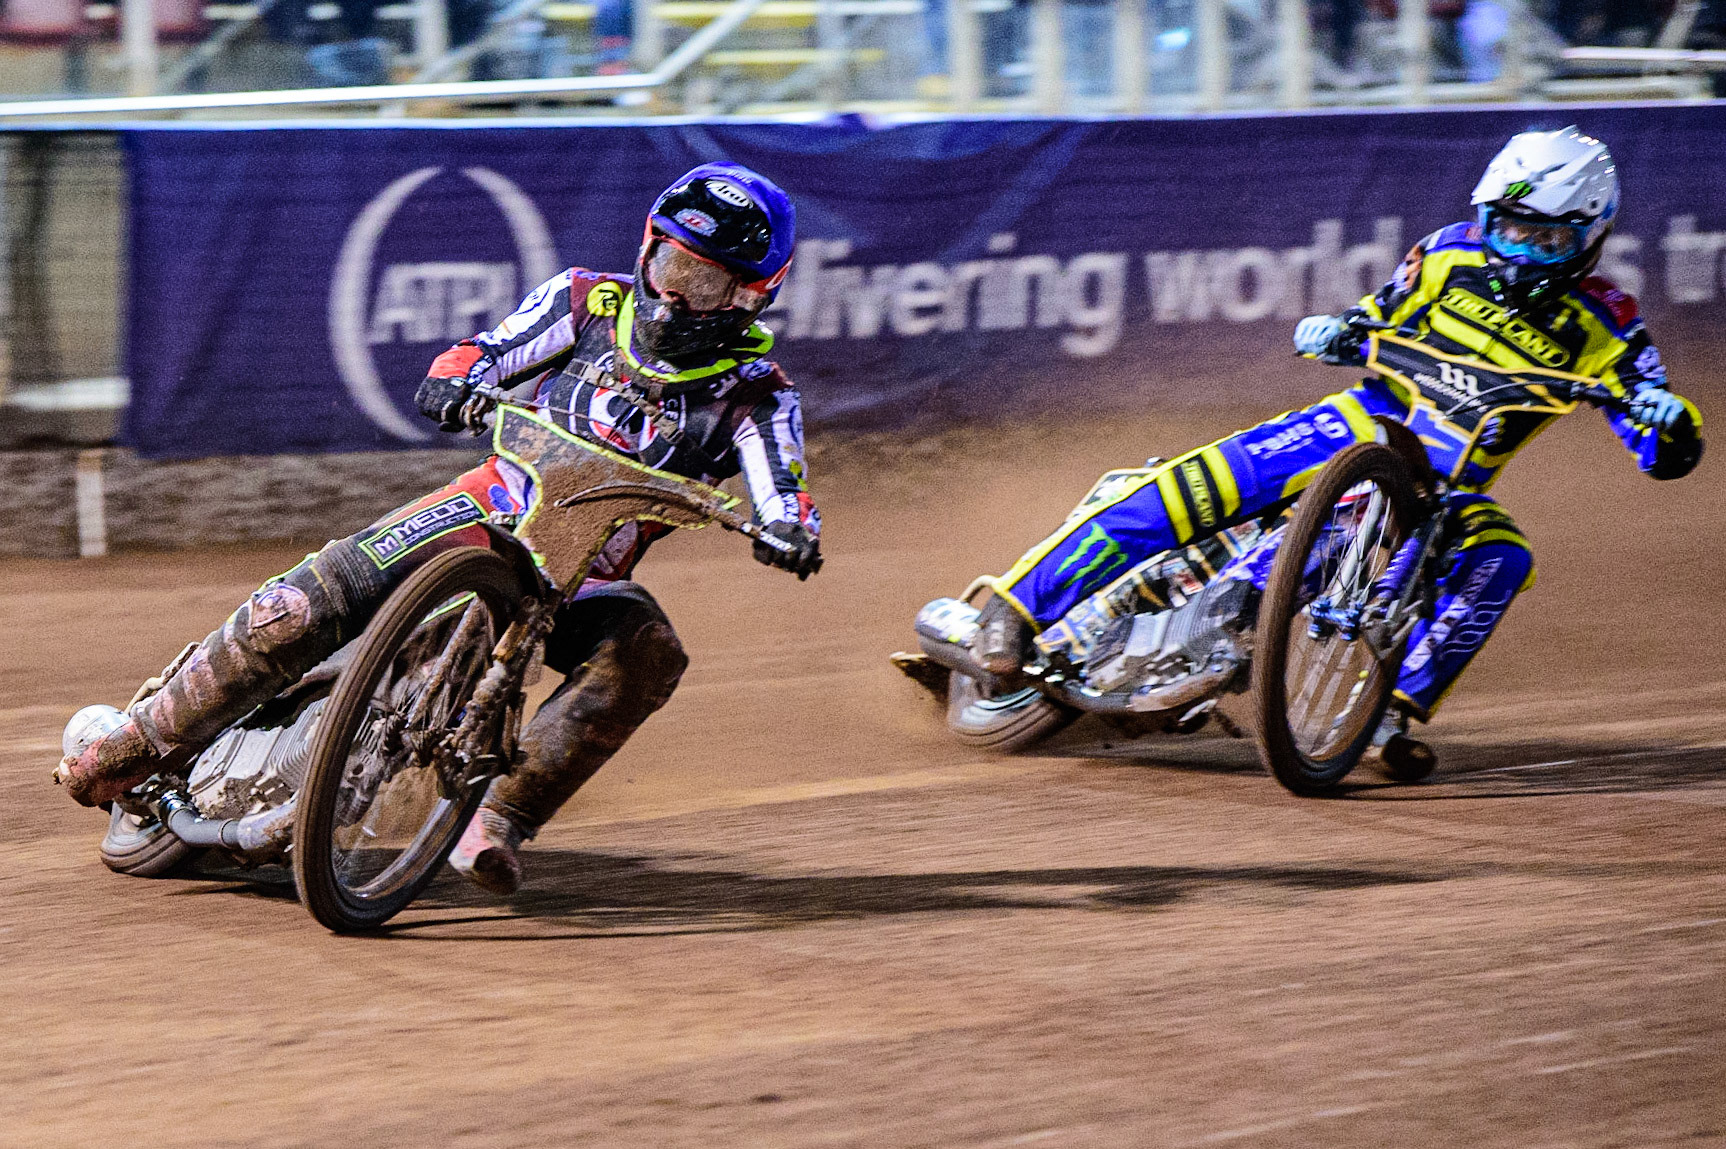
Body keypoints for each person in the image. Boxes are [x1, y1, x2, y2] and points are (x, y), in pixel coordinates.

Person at [56, 162, 823, 894]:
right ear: (647, 249)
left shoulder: (756, 396)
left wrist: (786, 528)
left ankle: (501, 816)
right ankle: (139, 740)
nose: (675, 294)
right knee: (301, 605)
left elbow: (783, 486)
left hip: (586, 574)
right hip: (482, 507)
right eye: (669, 265)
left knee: (648, 654)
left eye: (705, 280)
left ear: (750, 297)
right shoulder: (588, 302)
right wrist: (457, 379)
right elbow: (485, 350)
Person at [970, 126, 1702, 775]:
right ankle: (1016, 608)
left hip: (1449, 489)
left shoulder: (1611, 324)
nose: (1520, 252)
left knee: (1502, 557)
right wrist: (1335, 329)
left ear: (1590, 236)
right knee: (1195, 486)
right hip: (1359, 421)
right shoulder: (1446, 253)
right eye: (1508, 228)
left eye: (1546, 240)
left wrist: (1669, 422)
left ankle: (1385, 712)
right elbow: (1375, 314)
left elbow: (1659, 447)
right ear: (1484, 214)